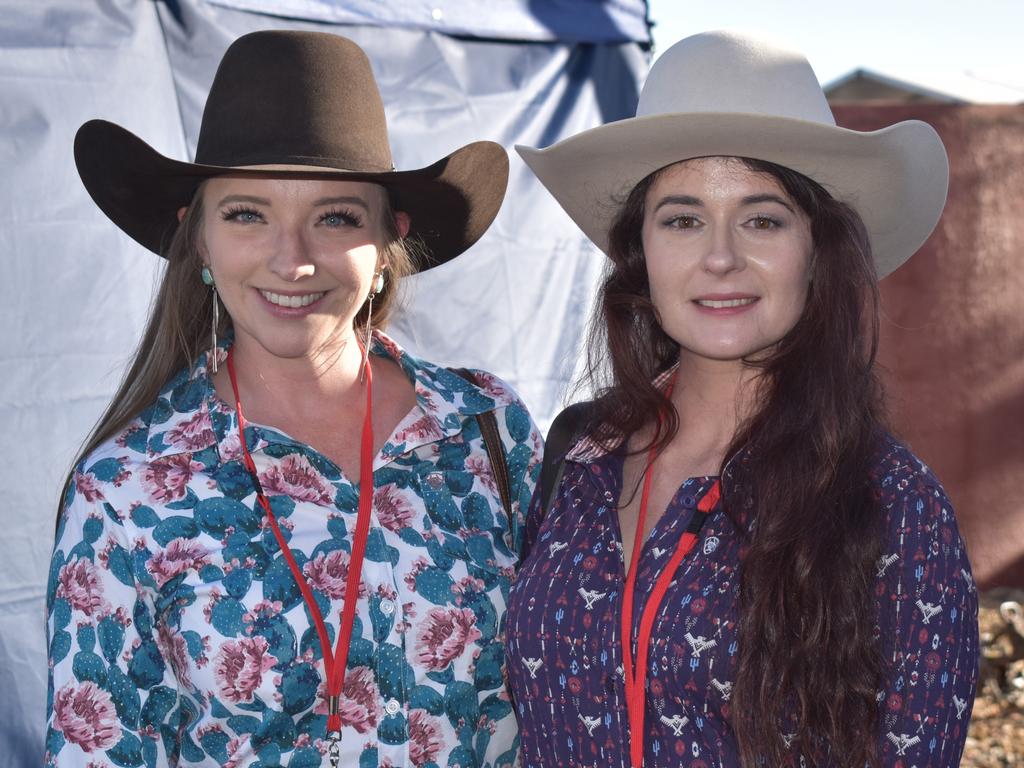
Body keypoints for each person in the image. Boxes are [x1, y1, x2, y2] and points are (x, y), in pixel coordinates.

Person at [46, 30, 541, 768]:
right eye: (247, 213)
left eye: (336, 216)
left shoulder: (487, 429)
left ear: (387, 241)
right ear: (200, 240)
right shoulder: (125, 489)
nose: (292, 257)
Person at [505, 30, 978, 768]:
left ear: (818, 253)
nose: (720, 257)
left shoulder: (894, 503)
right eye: (683, 219)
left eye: (762, 219)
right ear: (642, 254)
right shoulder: (579, 455)